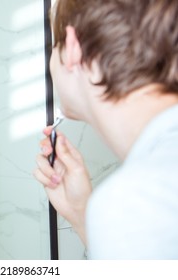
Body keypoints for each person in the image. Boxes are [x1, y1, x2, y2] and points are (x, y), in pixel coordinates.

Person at [34, 0, 178, 259]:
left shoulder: (138, 201)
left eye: (53, 46)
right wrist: (82, 214)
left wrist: (115, 211)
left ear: (73, 48)